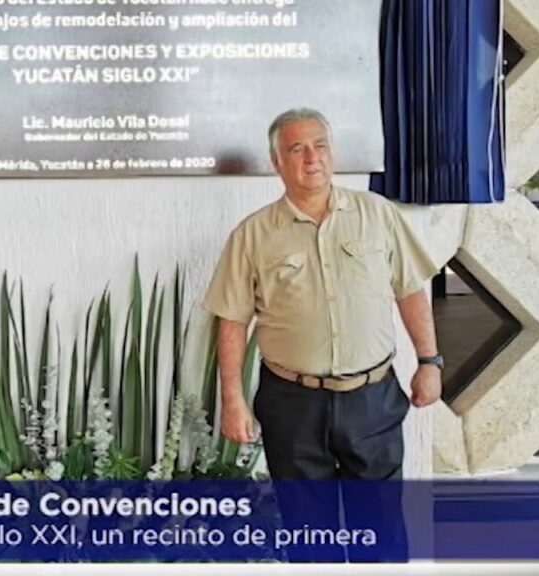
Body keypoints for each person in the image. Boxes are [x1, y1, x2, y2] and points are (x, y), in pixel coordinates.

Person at [203, 108, 441, 562]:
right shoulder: (253, 234)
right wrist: (232, 398)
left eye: (320, 146)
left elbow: (410, 290)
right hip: (292, 404)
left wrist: (430, 362)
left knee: (381, 528)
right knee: (310, 533)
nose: (311, 158)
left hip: (372, 399)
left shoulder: (378, 214)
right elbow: (232, 321)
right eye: (297, 149)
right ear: (277, 163)